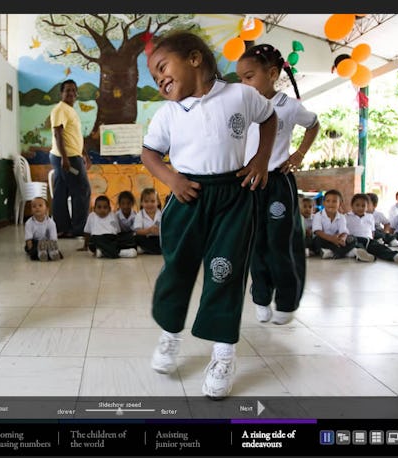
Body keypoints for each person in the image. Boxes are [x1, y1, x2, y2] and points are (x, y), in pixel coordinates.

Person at [141, 30, 277, 399]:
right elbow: (149, 154)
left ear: (195, 58)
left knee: (226, 271)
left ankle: (223, 353)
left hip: (233, 196)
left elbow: (269, 119)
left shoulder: (241, 95)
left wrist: (261, 159)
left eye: (163, 68)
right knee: (178, 269)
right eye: (154, 78)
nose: (159, 80)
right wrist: (172, 178)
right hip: (188, 199)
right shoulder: (168, 113)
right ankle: (170, 334)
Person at [237, 43, 320, 326]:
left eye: (249, 76)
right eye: (241, 78)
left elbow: (314, 124)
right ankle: (261, 296)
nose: (244, 83)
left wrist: (299, 154)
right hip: (248, 184)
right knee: (255, 243)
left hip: (277, 183)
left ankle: (286, 300)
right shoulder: (242, 105)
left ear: (272, 73)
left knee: (280, 243)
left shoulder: (289, 106)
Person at [48, 79, 92, 238]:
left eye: (74, 90)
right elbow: (58, 133)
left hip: (71, 155)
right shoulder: (60, 109)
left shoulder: (70, 110)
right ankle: (78, 228)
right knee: (82, 190)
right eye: (67, 90)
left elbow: (75, 135)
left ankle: (62, 228)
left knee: (61, 191)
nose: (71, 93)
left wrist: (85, 154)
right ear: (61, 93)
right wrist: (65, 159)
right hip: (67, 157)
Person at [345, 193, 398, 263]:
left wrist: (373, 239)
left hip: (368, 239)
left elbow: (372, 231)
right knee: (357, 246)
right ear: (352, 206)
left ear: (367, 207)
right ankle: (363, 255)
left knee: (380, 248)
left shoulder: (370, 217)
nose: (360, 208)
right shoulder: (346, 216)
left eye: (363, 206)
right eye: (357, 205)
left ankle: (396, 256)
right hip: (355, 239)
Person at [312, 189, 373, 261]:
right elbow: (317, 231)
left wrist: (342, 239)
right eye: (328, 201)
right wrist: (332, 239)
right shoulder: (318, 215)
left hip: (337, 241)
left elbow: (343, 231)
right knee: (316, 240)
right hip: (324, 239)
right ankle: (351, 252)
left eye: (334, 201)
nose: (331, 204)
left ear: (340, 204)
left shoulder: (341, 217)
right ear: (324, 203)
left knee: (352, 239)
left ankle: (331, 253)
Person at [24, 196, 61, 261]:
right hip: (35, 242)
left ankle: (51, 253)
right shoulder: (29, 223)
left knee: (53, 248)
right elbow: (28, 239)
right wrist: (31, 249)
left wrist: (52, 245)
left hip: (48, 242)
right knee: (31, 250)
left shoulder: (50, 222)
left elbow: (53, 238)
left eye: (40, 205)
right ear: (31, 211)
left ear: (46, 209)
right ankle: (42, 253)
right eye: (34, 206)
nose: (37, 208)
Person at [133, 187, 162, 255]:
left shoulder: (161, 214)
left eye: (152, 201)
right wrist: (149, 230)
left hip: (158, 239)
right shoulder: (140, 215)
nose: (149, 204)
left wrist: (159, 231)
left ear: (157, 202)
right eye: (146, 201)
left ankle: (146, 249)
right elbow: (137, 231)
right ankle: (152, 249)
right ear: (142, 203)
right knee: (136, 238)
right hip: (146, 238)